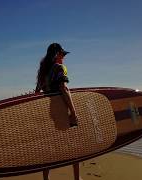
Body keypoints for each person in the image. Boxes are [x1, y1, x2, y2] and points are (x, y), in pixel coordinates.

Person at [35, 43, 80, 180]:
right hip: (61, 112)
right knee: (75, 146)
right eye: (63, 54)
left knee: (49, 148)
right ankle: (77, 178)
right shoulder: (60, 68)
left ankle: (46, 179)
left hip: (49, 113)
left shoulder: (43, 71)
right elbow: (64, 88)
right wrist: (73, 111)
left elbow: (37, 92)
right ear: (57, 55)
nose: (64, 58)